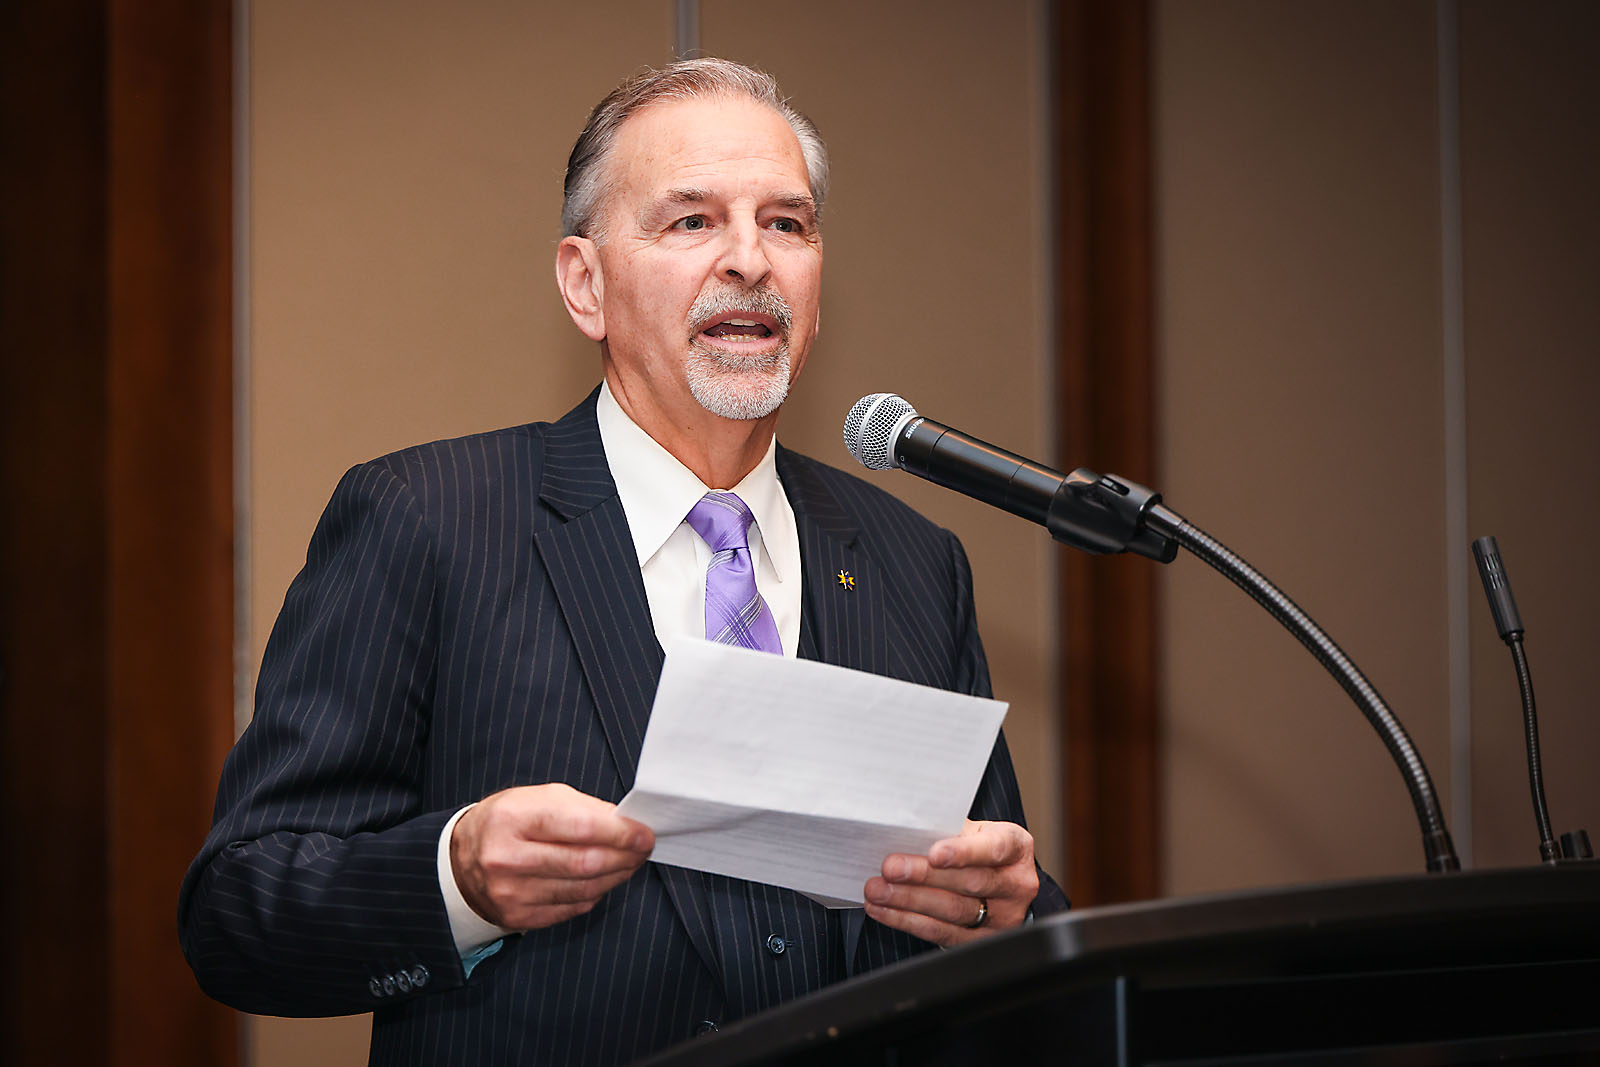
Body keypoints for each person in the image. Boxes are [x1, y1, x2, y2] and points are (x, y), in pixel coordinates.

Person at [179, 58, 1068, 1065]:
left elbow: (1007, 915)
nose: (750, 260)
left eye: (786, 223)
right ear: (586, 284)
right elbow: (237, 910)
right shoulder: (427, 518)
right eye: (691, 221)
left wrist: (1009, 913)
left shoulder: (914, 559)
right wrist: (455, 879)